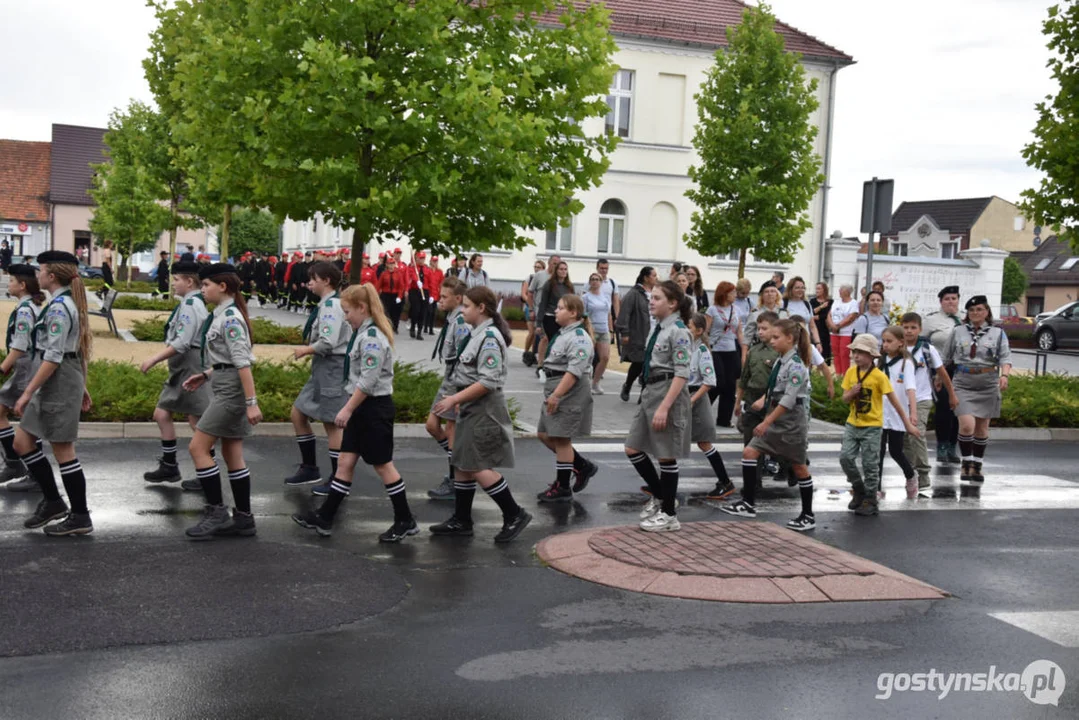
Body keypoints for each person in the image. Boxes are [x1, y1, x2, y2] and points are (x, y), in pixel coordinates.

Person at [292, 284, 417, 541]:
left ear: (362, 308)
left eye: (348, 311)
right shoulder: (361, 332)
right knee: (345, 462)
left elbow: (368, 382)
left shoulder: (372, 337)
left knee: (383, 466)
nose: (345, 317)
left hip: (373, 409)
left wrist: (347, 409)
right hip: (362, 408)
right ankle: (325, 517)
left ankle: (405, 519)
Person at [430, 286, 532, 543]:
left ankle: (514, 513)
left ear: (481, 308)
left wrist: (455, 398)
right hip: (470, 406)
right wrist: (458, 399)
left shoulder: (488, 338)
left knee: (476, 465)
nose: (462, 310)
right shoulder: (477, 335)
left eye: (466, 306)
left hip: (483, 408)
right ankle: (461, 519)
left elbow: (488, 381)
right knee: (463, 463)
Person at [12, 251, 95, 535]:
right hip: (56, 378)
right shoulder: (57, 304)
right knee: (22, 442)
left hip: (57, 380)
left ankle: (81, 516)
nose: (37, 274)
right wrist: (82, 384)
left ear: (51, 275)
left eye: (40, 269)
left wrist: (26, 393)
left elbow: (56, 356)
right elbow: (76, 348)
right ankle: (52, 502)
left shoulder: (60, 308)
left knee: (63, 449)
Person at [179, 263, 262, 540]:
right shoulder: (222, 314)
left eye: (205, 285)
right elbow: (227, 360)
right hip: (224, 383)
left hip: (231, 392)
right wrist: (205, 374)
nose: (202, 289)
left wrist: (251, 403)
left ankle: (216, 511)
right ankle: (244, 519)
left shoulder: (229, 319)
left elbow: (243, 364)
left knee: (197, 448)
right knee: (232, 454)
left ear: (222, 286)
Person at [720, 319, 817, 531]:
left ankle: (808, 515)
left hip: (790, 422)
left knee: (799, 467)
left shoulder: (797, 365)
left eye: (776, 337)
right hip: (775, 416)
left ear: (790, 339)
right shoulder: (781, 361)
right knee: (750, 452)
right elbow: (775, 389)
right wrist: (763, 401)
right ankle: (748, 503)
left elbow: (789, 399)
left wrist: (766, 421)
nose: (771, 341)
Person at [625, 280, 693, 533]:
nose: (650, 302)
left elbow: (682, 373)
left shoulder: (679, 331)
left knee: (666, 455)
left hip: (667, 393)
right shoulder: (660, 329)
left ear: (673, 303)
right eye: (650, 297)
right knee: (632, 448)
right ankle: (661, 494)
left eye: (657, 298)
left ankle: (669, 515)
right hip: (651, 391)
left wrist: (665, 407)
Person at [139, 261, 213, 487]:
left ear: (189, 282)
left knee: (198, 421)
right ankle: (169, 466)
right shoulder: (189, 302)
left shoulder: (192, 304)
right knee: (162, 414)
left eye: (176, 280)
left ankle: (207, 472)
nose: (173, 284)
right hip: (181, 365)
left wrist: (154, 358)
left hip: (190, 365)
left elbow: (182, 342)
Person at [282, 262, 351, 495]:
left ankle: (338, 478)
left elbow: (329, 342)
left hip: (333, 367)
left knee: (332, 423)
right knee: (298, 413)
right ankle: (310, 467)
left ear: (327, 281)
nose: (309, 282)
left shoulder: (332, 305)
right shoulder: (326, 304)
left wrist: (306, 350)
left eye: (314, 278)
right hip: (322, 368)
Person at [838, 334, 920, 517]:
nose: (856, 356)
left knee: (870, 464)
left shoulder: (879, 377)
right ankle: (858, 488)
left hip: (872, 427)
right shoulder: (851, 373)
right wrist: (851, 393)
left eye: (861, 352)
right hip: (853, 423)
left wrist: (908, 424)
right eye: (855, 352)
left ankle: (870, 499)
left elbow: (895, 402)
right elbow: (844, 398)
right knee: (845, 458)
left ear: (872, 356)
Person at [535, 294, 599, 502]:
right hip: (555, 385)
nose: (556, 311)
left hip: (568, 390)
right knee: (544, 433)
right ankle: (581, 465)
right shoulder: (564, 333)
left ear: (573, 313)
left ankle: (563, 486)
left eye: (561, 308)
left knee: (561, 438)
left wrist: (557, 395)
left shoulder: (579, 337)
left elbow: (574, 371)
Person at [945, 295, 1011, 484]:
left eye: (979, 310)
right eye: (972, 310)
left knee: (982, 427)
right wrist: (938, 377)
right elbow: (946, 357)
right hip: (963, 381)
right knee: (967, 425)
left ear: (987, 312)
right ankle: (966, 463)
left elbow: (1005, 357)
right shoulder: (958, 331)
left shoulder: (998, 333)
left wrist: (1004, 376)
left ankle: (977, 464)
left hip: (987, 382)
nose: (975, 313)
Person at [425, 277, 472, 501]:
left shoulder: (461, 321)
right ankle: (460, 461)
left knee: (451, 429)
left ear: (458, 298)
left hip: (457, 379)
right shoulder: (453, 319)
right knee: (432, 425)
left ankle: (455, 477)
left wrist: (460, 392)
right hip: (450, 375)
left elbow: (465, 357)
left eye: (444, 297)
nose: (439, 300)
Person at [901, 313, 957, 491]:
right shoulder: (896, 347)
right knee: (904, 439)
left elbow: (942, 372)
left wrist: (952, 394)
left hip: (922, 398)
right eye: (906, 327)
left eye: (913, 327)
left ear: (920, 329)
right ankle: (911, 473)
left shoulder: (926, 349)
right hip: (901, 400)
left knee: (917, 434)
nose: (909, 331)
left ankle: (924, 474)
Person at [0, 264, 45, 489]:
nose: (9, 284)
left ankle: (29, 472)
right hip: (26, 368)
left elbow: (20, 344)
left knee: (28, 425)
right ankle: (15, 463)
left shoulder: (26, 310)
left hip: (27, 370)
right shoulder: (30, 306)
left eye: (11, 281)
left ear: (22, 285)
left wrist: (2, 367)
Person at [731, 310, 780, 495]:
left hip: (772, 403)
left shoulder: (778, 352)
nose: (760, 332)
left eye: (764, 328)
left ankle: (791, 467)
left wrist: (766, 399)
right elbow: (744, 378)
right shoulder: (753, 351)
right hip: (752, 401)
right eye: (758, 328)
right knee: (750, 444)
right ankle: (753, 483)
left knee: (777, 443)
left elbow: (779, 382)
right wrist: (738, 402)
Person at [686, 313, 734, 499]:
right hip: (685, 397)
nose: (685, 329)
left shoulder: (702, 351)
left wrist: (692, 400)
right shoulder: (687, 347)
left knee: (704, 442)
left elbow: (710, 381)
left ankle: (725, 481)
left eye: (689, 326)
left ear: (699, 331)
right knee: (671, 439)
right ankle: (659, 483)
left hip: (696, 399)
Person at [877, 327, 919, 499]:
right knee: (877, 452)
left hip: (897, 413)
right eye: (884, 341)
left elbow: (910, 389)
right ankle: (876, 488)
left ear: (901, 342)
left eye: (889, 341)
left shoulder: (905, 363)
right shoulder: (878, 361)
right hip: (879, 412)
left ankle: (910, 475)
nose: (885, 345)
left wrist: (913, 413)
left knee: (895, 451)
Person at [923, 286, 963, 463]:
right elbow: (921, 343)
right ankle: (942, 446)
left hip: (961, 370)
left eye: (954, 298)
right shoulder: (931, 320)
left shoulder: (965, 319)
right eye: (947, 299)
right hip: (940, 369)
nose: (951, 302)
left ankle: (953, 447)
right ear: (941, 302)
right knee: (944, 407)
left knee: (958, 409)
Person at [705, 281, 743, 427]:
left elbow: (739, 331)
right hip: (715, 350)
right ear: (724, 293)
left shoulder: (736, 310)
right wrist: (706, 349)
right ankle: (702, 409)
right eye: (732, 292)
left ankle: (724, 419)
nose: (735, 295)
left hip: (731, 350)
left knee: (730, 385)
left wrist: (744, 349)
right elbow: (706, 331)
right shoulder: (712, 310)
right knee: (718, 383)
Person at [615, 266, 656, 402]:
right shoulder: (634, 293)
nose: (656, 279)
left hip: (653, 331)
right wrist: (624, 332)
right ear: (646, 278)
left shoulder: (655, 293)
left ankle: (643, 394)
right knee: (639, 362)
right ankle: (627, 385)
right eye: (654, 276)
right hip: (639, 332)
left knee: (649, 363)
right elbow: (624, 313)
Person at [536, 261, 574, 376]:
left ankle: (559, 365)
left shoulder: (569, 286)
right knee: (553, 341)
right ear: (556, 271)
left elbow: (572, 302)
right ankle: (544, 365)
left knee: (564, 342)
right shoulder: (550, 284)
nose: (563, 271)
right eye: (561, 269)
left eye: (565, 269)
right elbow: (543, 303)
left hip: (565, 318)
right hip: (551, 317)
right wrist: (538, 323)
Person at [583, 272, 612, 394]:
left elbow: (609, 313)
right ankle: (585, 382)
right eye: (592, 279)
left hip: (603, 329)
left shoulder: (605, 297)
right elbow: (584, 315)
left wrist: (611, 329)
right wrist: (589, 330)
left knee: (604, 357)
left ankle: (596, 382)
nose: (595, 281)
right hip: (591, 329)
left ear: (601, 282)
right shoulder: (586, 297)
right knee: (589, 358)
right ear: (590, 282)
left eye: (597, 279)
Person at [743, 280, 788, 353]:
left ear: (777, 295)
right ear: (762, 295)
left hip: (779, 352)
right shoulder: (755, 314)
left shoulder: (784, 313)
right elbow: (747, 339)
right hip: (760, 352)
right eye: (766, 292)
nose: (770, 294)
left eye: (773, 291)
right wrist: (744, 357)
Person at [783, 276, 823, 352]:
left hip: (805, 343)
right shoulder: (784, 303)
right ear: (790, 289)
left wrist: (818, 342)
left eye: (802, 288)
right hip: (789, 344)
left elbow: (812, 326)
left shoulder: (806, 304)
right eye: (797, 288)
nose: (800, 290)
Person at [827, 284, 860, 376]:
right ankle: (838, 373)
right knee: (836, 353)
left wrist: (838, 326)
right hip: (834, 332)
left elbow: (851, 317)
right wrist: (832, 325)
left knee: (844, 353)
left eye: (841, 290)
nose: (839, 292)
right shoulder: (836, 302)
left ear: (847, 292)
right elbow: (829, 314)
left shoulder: (853, 303)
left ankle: (845, 374)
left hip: (846, 332)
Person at [522, 260, 546, 366]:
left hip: (541, 308)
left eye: (539, 267)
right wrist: (530, 304)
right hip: (530, 307)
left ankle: (534, 354)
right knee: (532, 332)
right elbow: (524, 293)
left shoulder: (545, 278)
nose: (536, 269)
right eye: (535, 266)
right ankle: (526, 352)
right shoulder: (530, 278)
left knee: (539, 333)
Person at [376, 252, 406, 332]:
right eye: (390, 264)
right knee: (386, 311)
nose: (391, 265)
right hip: (386, 295)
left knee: (395, 312)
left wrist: (399, 296)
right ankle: (387, 326)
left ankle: (395, 327)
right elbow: (378, 285)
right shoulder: (384, 274)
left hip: (395, 295)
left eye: (393, 264)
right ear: (387, 265)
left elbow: (401, 286)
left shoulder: (398, 274)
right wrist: (376, 294)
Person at [407, 251, 431, 340]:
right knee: (416, 310)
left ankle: (419, 332)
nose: (421, 260)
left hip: (425, 291)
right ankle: (413, 326)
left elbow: (431, 282)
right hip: (415, 290)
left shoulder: (427, 269)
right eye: (420, 258)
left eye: (423, 258)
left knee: (423, 312)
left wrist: (432, 295)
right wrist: (416, 280)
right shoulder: (413, 268)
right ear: (416, 258)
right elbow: (411, 274)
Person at [811, 282, 833, 364]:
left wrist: (819, 317)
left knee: (825, 348)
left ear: (824, 290)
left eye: (819, 288)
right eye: (816, 288)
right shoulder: (812, 301)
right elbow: (811, 312)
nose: (817, 290)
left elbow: (829, 314)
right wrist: (821, 307)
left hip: (825, 328)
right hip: (815, 327)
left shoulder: (830, 302)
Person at [423, 255, 443, 335]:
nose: (434, 263)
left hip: (436, 294)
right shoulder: (427, 270)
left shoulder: (439, 272)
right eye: (433, 261)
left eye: (436, 261)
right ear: (430, 261)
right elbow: (426, 282)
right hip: (429, 293)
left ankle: (431, 328)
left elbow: (441, 282)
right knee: (428, 311)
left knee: (433, 312)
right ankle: (425, 327)